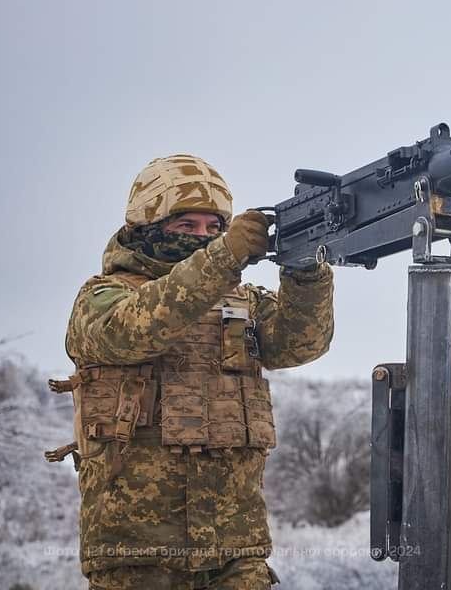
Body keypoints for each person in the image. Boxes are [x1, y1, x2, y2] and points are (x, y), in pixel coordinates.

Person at [47, 154, 335, 589]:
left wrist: (307, 272)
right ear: (147, 227)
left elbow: (301, 343)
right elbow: (136, 331)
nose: (203, 238)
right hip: (137, 556)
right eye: (187, 226)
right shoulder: (101, 298)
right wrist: (225, 256)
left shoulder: (241, 303)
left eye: (214, 228)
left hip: (236, 553)